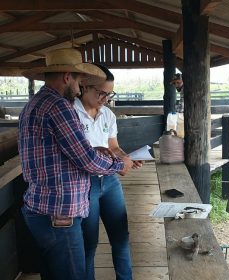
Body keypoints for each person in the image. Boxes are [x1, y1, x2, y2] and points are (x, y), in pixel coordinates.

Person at [19, 48, 133, 280]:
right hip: (59, 212)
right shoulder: (59, 107)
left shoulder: (34, 104)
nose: (79, 86)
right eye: (79, 80)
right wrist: (118, 166)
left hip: (40, 207)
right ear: (67, 76)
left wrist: (98, 152)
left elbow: (61, 152)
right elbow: (86, 159)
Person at [75, 64, 143, 280]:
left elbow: (113, 146)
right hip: (86, 182)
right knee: (89, 242)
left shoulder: (107, 115)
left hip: (110, 180)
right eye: (101, 93)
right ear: (85, 86)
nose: (105, 98)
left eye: (109, 93)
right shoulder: (70, 113)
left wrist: (126, 158)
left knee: (121, 237)